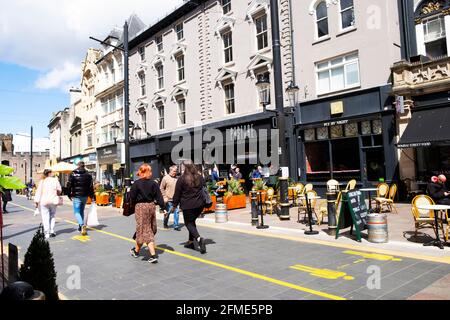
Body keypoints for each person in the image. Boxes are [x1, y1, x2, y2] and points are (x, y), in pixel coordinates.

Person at [129, 164, 165, 264]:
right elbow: (159, 196)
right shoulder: (154, 183)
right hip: (151, 206)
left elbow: (132, 197)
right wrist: (163, 208)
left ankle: (153, 255)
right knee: (146, 228)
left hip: (140, 207)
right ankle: (136, 251)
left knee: (144, 230)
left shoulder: (136, 183)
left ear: (141, 172)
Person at [172, 160, 207, 254]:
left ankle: (199, 239)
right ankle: (191, 242)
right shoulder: (199, 177)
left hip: (188, 205)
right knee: (192, 221)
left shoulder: (182, 179)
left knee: (189, 223)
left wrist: (174, 206)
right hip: (200, 205)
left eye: (182, 167)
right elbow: (204, 186)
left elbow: (177, 194)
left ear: (185, 167)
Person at [67, 162, 95, 236]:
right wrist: (92, 196)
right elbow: (91, 186)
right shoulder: (88, 175)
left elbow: (69, 185)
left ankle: (82, 225)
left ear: (78, 166)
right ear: (84, 166)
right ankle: (80, 227)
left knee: (76, 212)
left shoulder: (73, 174)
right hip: (85, 196)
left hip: (76, 196)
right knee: (81, 211)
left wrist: (69, 194)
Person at [34, 169, 62, 239]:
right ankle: (52, 231)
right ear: (49, 173)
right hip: (53, 200)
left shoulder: (42, 181)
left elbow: (38, 193)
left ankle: (47, 233)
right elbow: (59, 190)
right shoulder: (55, 180)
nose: (52, 173)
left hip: (44, 201)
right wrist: (56, 194)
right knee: (52, 215)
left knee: (45, 217)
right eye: (52, 172)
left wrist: (36, 205)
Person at [160, 165, 180, 231]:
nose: (175, 172)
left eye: (176, 171)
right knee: (167, 213)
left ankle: (176, 225)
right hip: (168, 199)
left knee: (176, 212)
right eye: (174, 171)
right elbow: (161, 188)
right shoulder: (165, 178)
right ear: (170, 171)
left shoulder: (177, 178)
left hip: (176, 199)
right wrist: (164, 196)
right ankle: (165, 223)